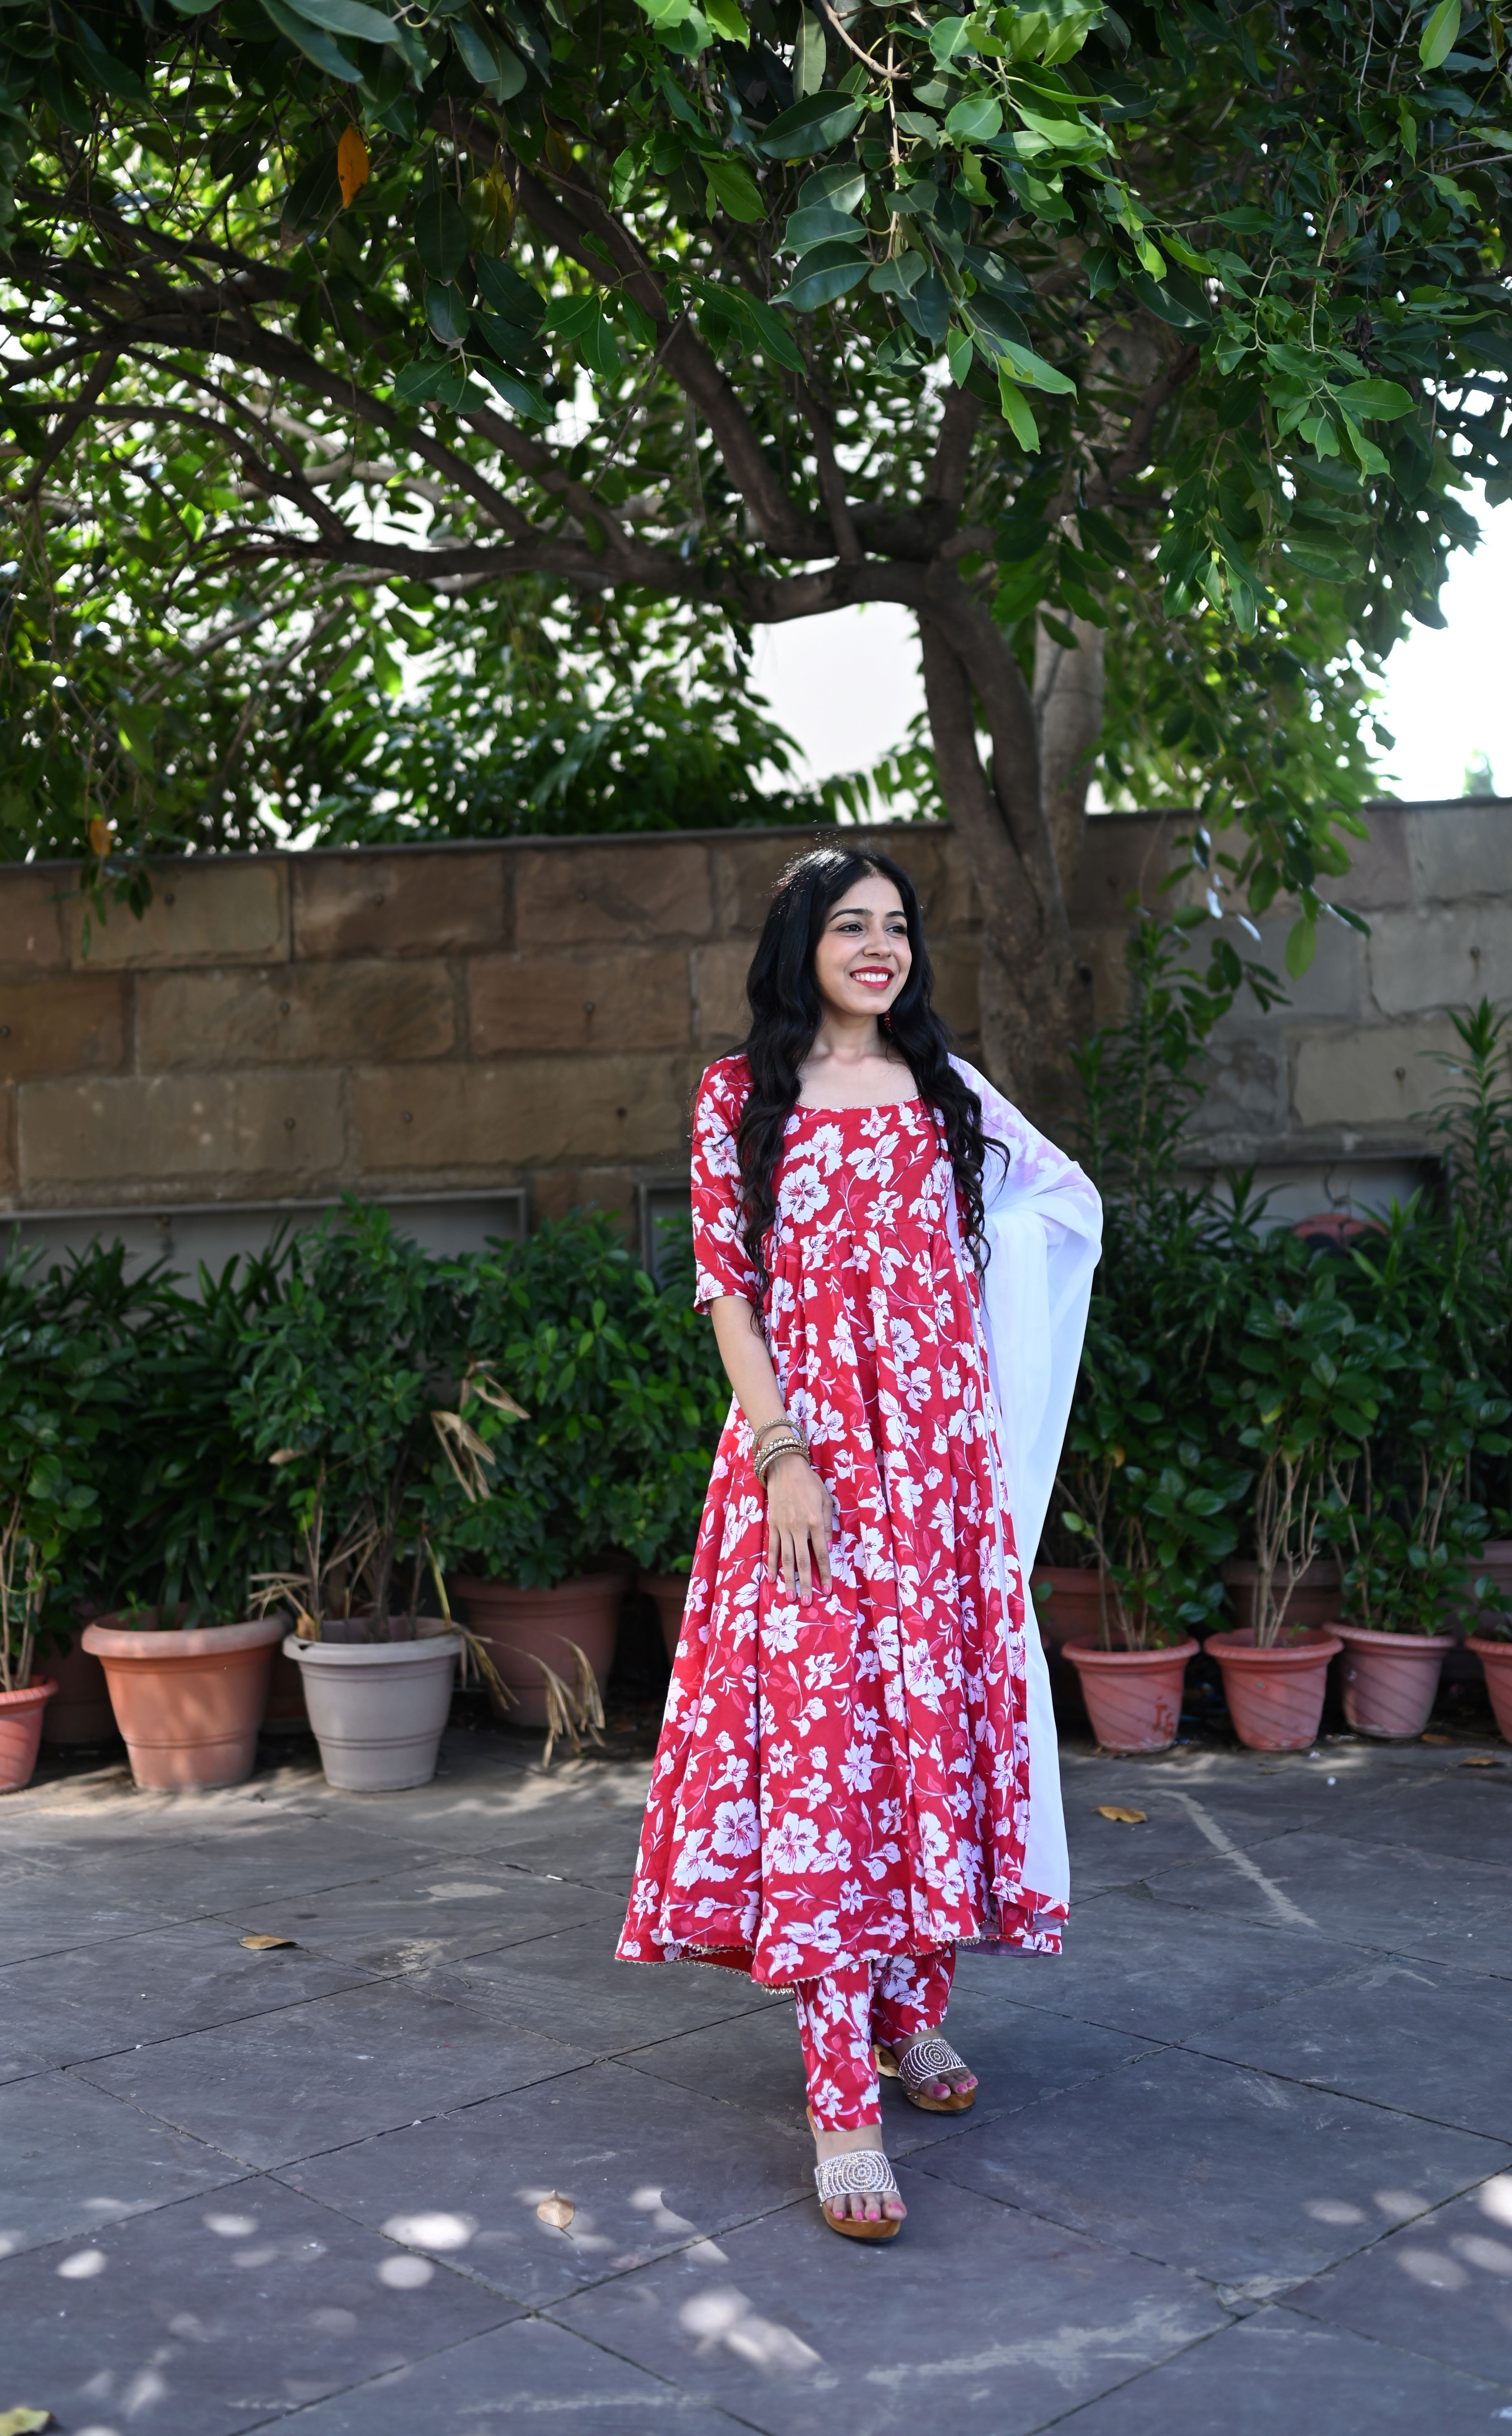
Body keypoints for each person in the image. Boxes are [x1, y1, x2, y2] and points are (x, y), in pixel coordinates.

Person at [617, 846, 1101, 2241]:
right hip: (809, 1475)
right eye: (852, 925)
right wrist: (785, 1458)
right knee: (828, 1762)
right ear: (801, 943)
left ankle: (909, 2007)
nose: (880, 946)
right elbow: (728, 1294)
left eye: (897, 926)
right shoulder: (738, 1098)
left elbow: (1058, 1210)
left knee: (928, 1738)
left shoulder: (951, 1094)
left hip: (943, 1476)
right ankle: (840, 2101)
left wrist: (982, 1414)